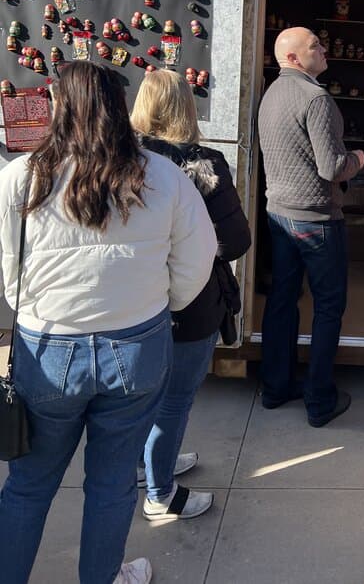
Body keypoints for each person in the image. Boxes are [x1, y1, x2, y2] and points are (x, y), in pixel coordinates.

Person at [0, 62, 217, 584]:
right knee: (112, 482)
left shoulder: (21, 177)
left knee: (29, 485)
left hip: (48, 345)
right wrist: (157, 306)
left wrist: (29, 305)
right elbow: (200, 258)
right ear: (120, 109)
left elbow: (8, 271)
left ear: (59, 107)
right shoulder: (162, 175)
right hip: (137, 345)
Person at [130, 69, 251, 522]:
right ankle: (161, 493)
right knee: (174, 401)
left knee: (142, 398)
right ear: (187, 107)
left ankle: (148, 463)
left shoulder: (119, 161)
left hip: (135, 298)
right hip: (194, 300)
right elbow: (236, 241)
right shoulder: (203, 164)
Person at [258, 27, 364, 427]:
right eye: (315, 46)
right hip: (317, 219)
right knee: (329, 307)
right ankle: (319, 401)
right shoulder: (316, 98)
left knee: (282, 299)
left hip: (279, 212)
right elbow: (332, 168)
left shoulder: (271, 92)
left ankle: (275, 387)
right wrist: (358, 158)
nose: (324, 49)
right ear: (292, 58)